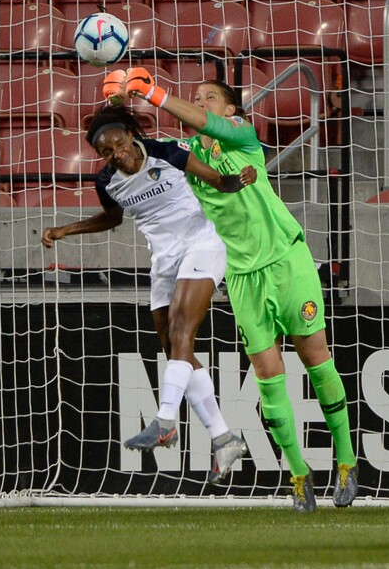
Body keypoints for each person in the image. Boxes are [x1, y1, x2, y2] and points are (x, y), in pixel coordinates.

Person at [104, 69, 358, 512]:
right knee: (268, 377)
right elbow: (136, 153)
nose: (201, 102)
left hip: (286, 260)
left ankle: (346, 461)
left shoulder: (242, 135)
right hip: (242, 276)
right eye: (195, 97)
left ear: (230, 108)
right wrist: (117, 110)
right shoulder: (183, 155)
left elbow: (211, 128)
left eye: (209, 97)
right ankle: (299, 476)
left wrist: (155, 93)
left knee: (317, 360)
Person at [41, 105, 256, 485]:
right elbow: (111, 219)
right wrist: (63, 230)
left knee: (181, 331)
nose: (116, 154)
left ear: (130, 134)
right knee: (177, 352)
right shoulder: (107, 181)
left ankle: (164, 421)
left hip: (202, 243)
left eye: (119, 144)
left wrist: (242, 178)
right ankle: (224, 438)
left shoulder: (166, 152)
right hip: (164, 260)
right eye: (107, 152)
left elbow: (219, 182)